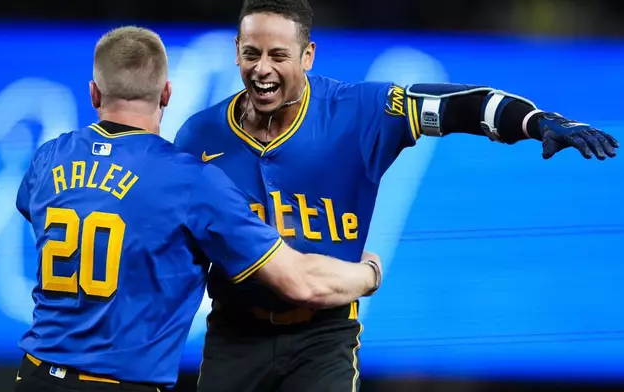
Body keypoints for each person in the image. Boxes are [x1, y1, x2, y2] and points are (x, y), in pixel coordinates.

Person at [173, 0, 620, 391]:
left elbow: (460, 107)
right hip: (233, 334)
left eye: (279, 55)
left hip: (323, 335)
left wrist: (537, 121)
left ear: (308, 56)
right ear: (235, 52)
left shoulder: (360, 111)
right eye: (251, 53)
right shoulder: (200, 134)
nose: (262, 68)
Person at [13, 25, 383, 392]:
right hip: (120, 383)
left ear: (94, 93)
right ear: (167, 93)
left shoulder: (48, 159)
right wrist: (368, 273)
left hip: (33, 376)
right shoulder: (191, 181)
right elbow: (300, 282)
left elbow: (47, 208)